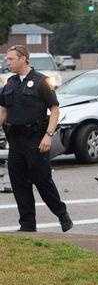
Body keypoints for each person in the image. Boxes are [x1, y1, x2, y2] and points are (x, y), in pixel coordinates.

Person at [0, 45, 72, 233]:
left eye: (11, 59)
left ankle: (61, 213)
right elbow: (4, 109)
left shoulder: (41, 81)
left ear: (23, 58)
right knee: (19, 183)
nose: (8, 62)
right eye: (7, 59)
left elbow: (55, 109)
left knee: (42, 181)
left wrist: (48, 135)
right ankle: (27, 225)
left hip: (36, 140)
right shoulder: (10, 83)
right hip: (15, 140)